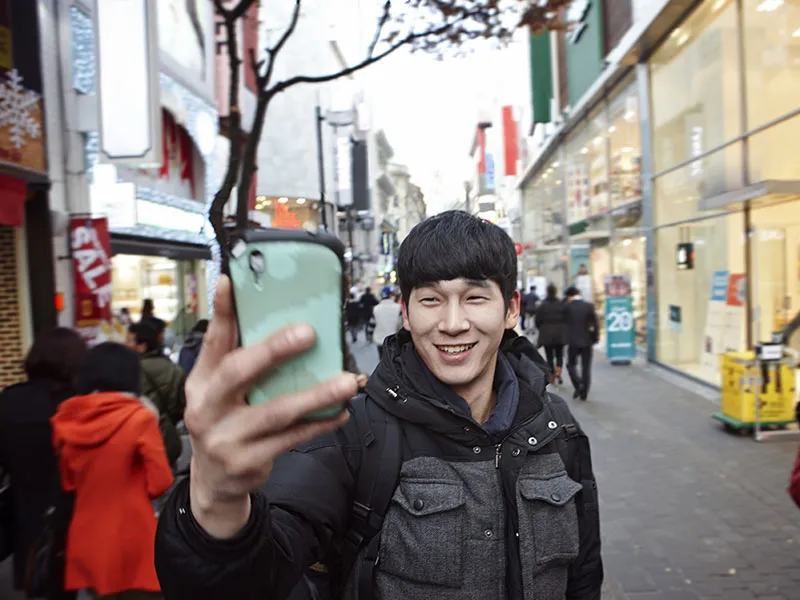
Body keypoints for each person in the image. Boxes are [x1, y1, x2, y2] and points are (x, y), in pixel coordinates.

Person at [154, 210, 602, 600]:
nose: (452, 323)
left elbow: (582, 575)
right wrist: (215, 498)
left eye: (475, 297)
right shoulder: (352, 430)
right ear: (405, 313)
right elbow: (254, 574)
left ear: (511, 309)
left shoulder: (555, 427)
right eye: (430, 299)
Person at [51, 342, 173, 600]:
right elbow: (160, 482)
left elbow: (68, 482)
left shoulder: (67, 419)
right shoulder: (139, 418)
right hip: (133, 536)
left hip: (86, 537)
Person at [0, 328, 86, 600]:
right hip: (78, 511)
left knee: (36, 580)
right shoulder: (82, 403)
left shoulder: (10, 400)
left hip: (26, 509)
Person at [131, 321, 186, 468]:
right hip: (167, 440)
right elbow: (181, 407)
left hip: (138, 439)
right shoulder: (174, 370)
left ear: (142, 345)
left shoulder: (131, 371)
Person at [563, 286, 599, 401]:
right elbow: (595, 324)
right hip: (587, 340)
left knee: (571, 364)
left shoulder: (567, 307)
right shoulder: (588, 306)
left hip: (572, 341)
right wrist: (594, 338)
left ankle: (578, 384)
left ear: (569, 296)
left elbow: (563, 323)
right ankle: (584, 392)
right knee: (586, 367)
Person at [536, 284, 567, 386]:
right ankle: (559, 370)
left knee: (549, 356)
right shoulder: (561, 304)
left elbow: (538, 321)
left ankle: (552, 374)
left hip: (546, 334)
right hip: (560, 333)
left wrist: (542, 328)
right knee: (559, 354)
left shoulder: (542, 305)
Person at [371, 287, 403, 359]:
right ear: (391, 296)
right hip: (394, 340)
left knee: (382, 361)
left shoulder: (375, 309)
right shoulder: (399, 308)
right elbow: (401, 324)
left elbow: (372, 324)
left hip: (379, 340)